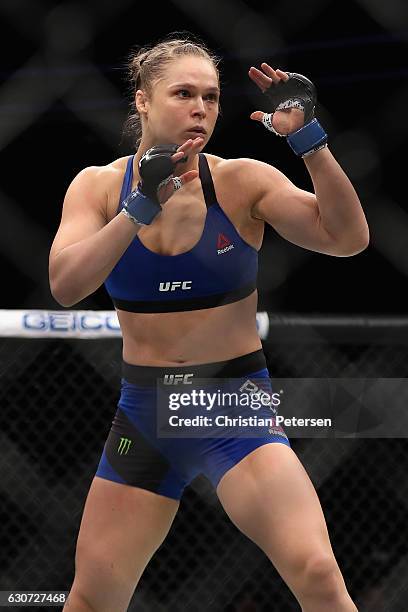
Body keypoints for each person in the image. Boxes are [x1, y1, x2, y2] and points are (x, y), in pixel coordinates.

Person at [49, 33, 368, 612]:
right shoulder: (97, 187)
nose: (200, 108)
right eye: (183, 93)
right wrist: (136, 210)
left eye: (212, 97)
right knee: (91, 599)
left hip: (235, 408)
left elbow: (348, 239)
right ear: (143, 100)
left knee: (318, 571)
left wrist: (309, 141)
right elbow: (66, 286)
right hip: (145, 415)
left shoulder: (242, 180)